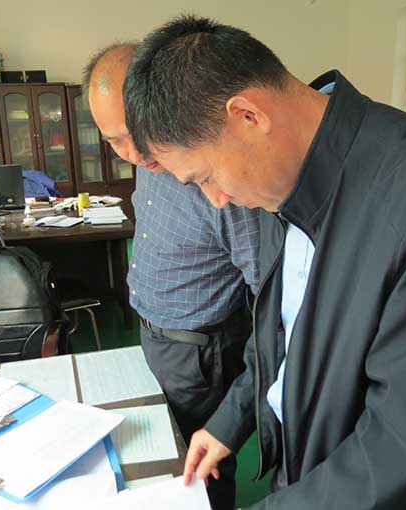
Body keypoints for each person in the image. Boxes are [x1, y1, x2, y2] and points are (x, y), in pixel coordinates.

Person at [123, 15, 406, 509]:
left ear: (248, 116)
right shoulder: (280, 184)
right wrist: (229, 422)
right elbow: (282, 337)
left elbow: (402, 442)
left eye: (205, 178)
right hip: (313, 476)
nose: (215, 199)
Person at [83, 43, 260, 510]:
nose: (134, 152)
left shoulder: (219, 181)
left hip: (198, 353)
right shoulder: (149, 163)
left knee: (200, 470)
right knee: (157, 464)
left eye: (138, 133)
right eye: (115, 140)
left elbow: (271, 293)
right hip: (152, 336)